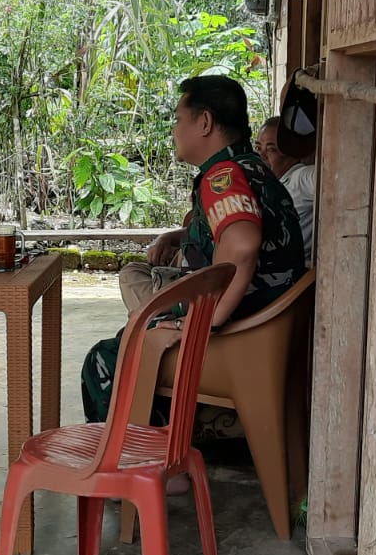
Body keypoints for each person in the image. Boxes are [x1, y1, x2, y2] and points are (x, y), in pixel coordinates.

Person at [86, 75, 306, 425]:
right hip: (269, 327)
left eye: (178, 119)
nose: (174, 129)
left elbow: (244, 244)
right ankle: (170, 440)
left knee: (107, 357)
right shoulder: (252, 168)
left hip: (242, 336)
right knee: (140, 325)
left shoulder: (223, 177)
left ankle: (133, 466)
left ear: (204, 123)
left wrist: (203, 321)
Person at [254, 116, 316, 263]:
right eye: (258, 148)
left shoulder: (299, 178)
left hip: (283, 275)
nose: (261, 155)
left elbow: (331, 178)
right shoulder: (268, 184)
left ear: (292, 154)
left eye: (271, 149)